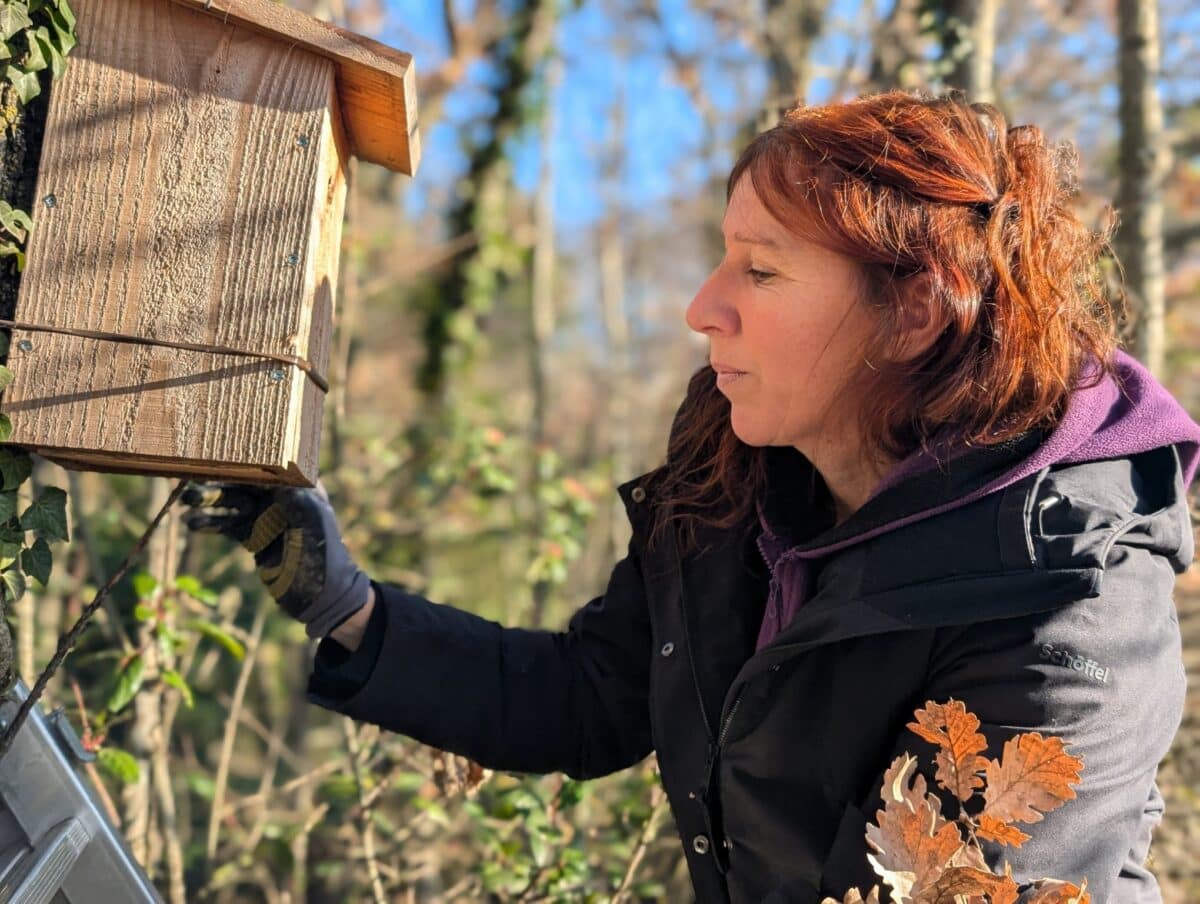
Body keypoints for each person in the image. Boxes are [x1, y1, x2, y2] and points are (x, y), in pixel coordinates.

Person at [183, 90, 1200, 903]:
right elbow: (593, 697)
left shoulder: (1068, 617)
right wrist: (349, 609)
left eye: (760, 272)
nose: (701, 309)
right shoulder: (743, 469)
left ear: (915, 313)